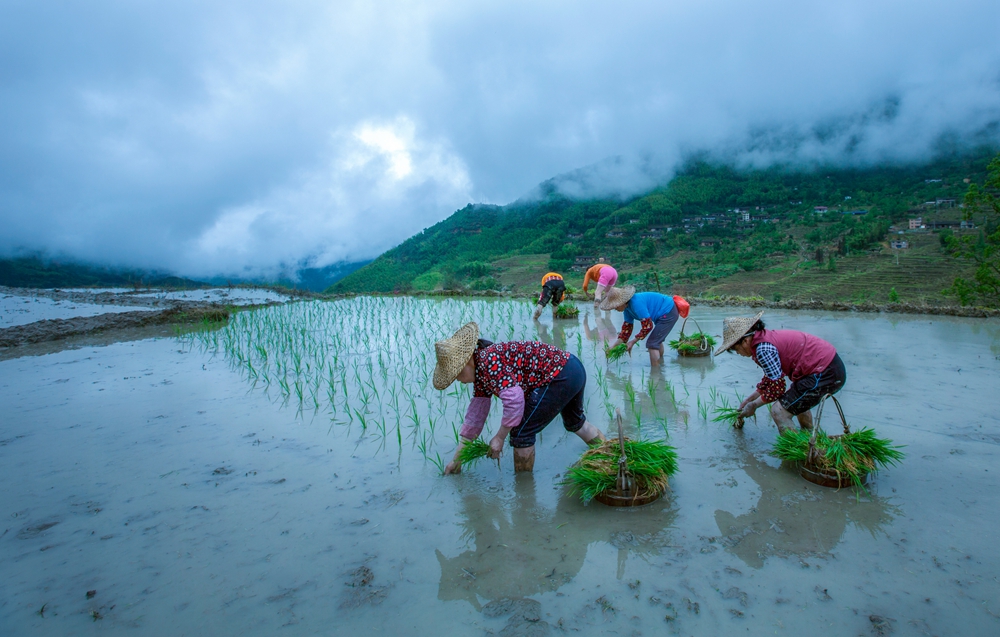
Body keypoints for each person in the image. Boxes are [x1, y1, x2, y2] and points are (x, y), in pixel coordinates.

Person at [432, 322, 605, 473]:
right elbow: (474, 420)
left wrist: (499, 437)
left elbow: (515, 401)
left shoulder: (488, 362)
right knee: (577, 423)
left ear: (467, 361)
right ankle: (611, 453)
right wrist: (457, 459)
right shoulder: (481, 374)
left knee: (521, 432)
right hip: (572, 368)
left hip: (559, 375)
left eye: (458, 375)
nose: (460, 381)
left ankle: (524, 493)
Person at [714, 311, 847, 433]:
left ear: (745, 340)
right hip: (829, 367)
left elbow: (777, 389)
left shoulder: (763, 349)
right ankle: (809, 438)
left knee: (779, 411)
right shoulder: (763, 340)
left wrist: (754, 405)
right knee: (797, 402)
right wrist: (749, 400)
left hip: (825, 371)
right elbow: (771, 378)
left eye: (737, 349)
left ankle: (796, 450)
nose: (739, 354)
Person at [601, 286, 679, 366]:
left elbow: (648, 326)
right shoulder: (627, 310)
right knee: (656, 340)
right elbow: (625, 332)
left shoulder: (636, 303)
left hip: (668, 311)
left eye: (616, 306)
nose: (615, 309)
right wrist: (612, 347)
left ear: (622, 302)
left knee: (652, 343)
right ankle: (661, 364)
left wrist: (632, 342)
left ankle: (655, 372)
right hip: (663, 314)